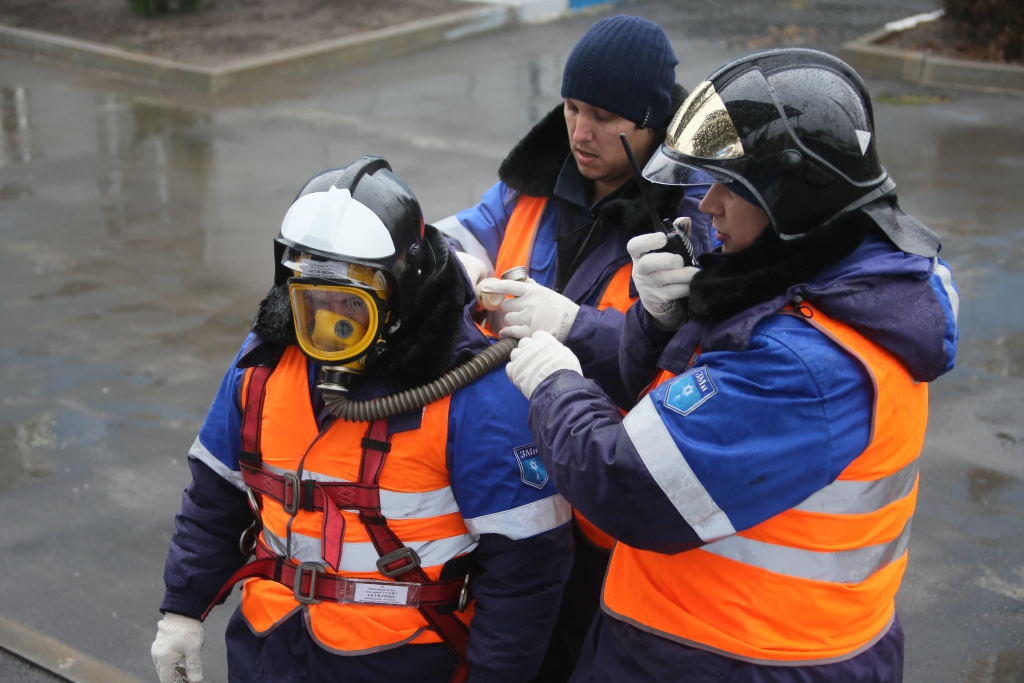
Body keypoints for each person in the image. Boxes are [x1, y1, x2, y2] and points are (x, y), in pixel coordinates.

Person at [504, 49, 960, 682]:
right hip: (695, 644)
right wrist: (650, 322)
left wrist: (555, 384)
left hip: (741, 660)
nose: (709, 203)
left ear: (790, 201)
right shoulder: (808, 279)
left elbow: (630, 484)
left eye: (733, 187)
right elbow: (675, 389)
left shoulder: (808, 364)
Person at [150, 156, 572, 683]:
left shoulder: (476, 394)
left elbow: (526, 574)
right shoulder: (261, 367)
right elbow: (214, 498)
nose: (328, 333)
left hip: (404, 659)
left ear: (398, 296)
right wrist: (182, 609)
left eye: (350, 310)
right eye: (312, 307)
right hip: (269, 650)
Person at [437, 17, 713, 672]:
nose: (580, 133)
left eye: (604, 116)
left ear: (652, 123)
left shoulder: (693, 221)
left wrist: (574, 326)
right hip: (504, 479)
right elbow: (456, 236)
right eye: (571, 108)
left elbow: (690, 357)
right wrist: (462, 270)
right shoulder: (532, 182)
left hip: (604, 519)